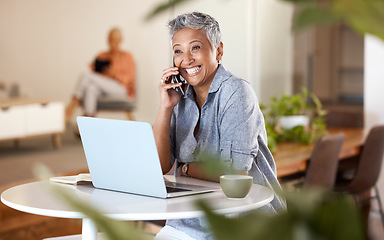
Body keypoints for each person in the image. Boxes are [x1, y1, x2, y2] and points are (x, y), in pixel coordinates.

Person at [152, 12, 286, 240]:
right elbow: (160, 166)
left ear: (219, 50)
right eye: (178, 51)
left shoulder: (236, 92)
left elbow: (235, 174)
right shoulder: (180, 97)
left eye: (195, 47)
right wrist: (166, 108)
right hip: (187, 221)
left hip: (244, 223)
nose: (186, 59)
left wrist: (185, 169)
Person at [65, 27, 136, 123]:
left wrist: (114, 75)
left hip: (121, 88)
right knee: (90, 87)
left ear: (121, 40)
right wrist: (94, 68)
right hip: (101, 88)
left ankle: (71, 108)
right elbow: (94, 76)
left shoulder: (127, 56)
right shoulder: (102, 55)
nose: (112, 42)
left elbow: (130, 79)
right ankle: (89, 120)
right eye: (110, 39)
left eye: (114, 39)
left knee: (86, 75)